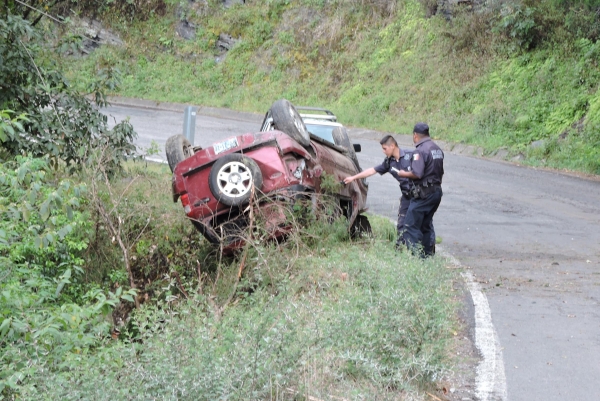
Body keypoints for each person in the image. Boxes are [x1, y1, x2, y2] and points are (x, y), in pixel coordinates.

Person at [343, 135, 426, 247]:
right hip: (406, 196)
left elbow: (422, 171)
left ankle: (424, 250)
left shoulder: (411, 155)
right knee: (401, 223)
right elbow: (372, 170)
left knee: (419, 224)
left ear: (392, 146)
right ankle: (400, 249)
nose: (383, 151)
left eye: (385, 148)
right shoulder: (389, 162)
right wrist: (353, 178)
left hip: (419, 196)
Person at [394, 123, 444, 257]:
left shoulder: (420, 151)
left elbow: (417, 173)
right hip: (436, 192)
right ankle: (428, 256)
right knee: (426, 225)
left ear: (415, 135)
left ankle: (418, 258)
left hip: (424, 194)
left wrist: (403, 173)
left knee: (410, 226)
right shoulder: (437, 149)